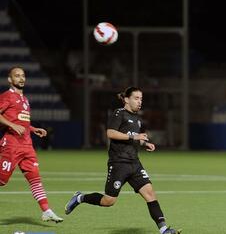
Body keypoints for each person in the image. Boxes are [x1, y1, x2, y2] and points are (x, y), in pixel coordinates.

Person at [65, 87, 181, 234]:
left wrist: (145, 143)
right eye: (136, 98)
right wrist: (135, 137)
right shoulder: (119, 113)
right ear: (127, 99)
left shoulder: (137, 119)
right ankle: (80, 198)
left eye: (141, 99)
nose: (140, 102)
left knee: (150, 193)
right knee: (109, 201)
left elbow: (133, 138)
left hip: (135, 163)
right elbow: (110, 133)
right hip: (119, 163)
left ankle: (164, 229)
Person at [0, 67, 63, 223]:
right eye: (17, 76)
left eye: (23, 76)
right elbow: (10, 121)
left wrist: (34, 129)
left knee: (35, 179)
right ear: (10, 79)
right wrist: (12, 126)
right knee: (1, 180)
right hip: (12, 145)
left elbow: (22, 122)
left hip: (27, 146)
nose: (21, 78)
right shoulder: (7, 96)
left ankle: (46, 211)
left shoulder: (25, 100)